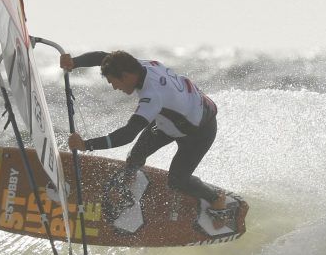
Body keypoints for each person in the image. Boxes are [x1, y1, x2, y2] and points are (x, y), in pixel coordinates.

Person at [60, 50, 236, 221]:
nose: (114, 87)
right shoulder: (139, 66)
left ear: (126, 76)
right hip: (172, 120)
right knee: (135, 156)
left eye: (114, 82)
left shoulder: (153, 95)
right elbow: (104, 58)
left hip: (199, 132)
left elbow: (128, 134)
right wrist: (75, 62)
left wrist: (86, 145)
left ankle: (216, 199)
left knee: (177, 180)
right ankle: (128, 183)